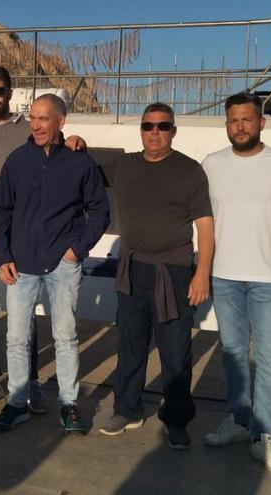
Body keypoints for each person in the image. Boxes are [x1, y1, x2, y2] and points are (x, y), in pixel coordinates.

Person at [0, 65, 85, 411]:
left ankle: (29, 382)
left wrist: (75, 142)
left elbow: (55, 148)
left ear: (11, 93)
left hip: (23, 231)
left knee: (25, 315)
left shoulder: (29, 129)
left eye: (0, 90)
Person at [0, 94, 110, 434]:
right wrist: (4, 256)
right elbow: (0, 210)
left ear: (61, 122)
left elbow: (100, 210)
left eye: (44, 119)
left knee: (66, 336)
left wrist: (77, 249)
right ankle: (17, 403)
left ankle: (68, 403)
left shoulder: (81, 163)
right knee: (16, 338)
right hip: (21, 264)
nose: (37, 125)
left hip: (62, 263)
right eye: (33, 118)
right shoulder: (17, 161)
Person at [97, 103, 213, 451]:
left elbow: (205, 225)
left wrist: (202, 273)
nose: (155, 132)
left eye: (163, 126)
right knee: (130, 345)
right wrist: (71, 142)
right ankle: (127, 410)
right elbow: (85, 174)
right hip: (132, 270)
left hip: (175, 273)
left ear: (173, 131)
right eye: (148, 126)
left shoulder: (190, 171)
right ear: (141, 130)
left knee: (175, 351)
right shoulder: (125, 166)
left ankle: (176, 420)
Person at [201, 93, 271, 474]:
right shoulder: (211, 165)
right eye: (232, 120)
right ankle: (240, 420)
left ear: (262, 123)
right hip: (225, 276)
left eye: (246, 119)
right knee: (234, 356)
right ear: (226, 125)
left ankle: (264, 435)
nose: (239, 126)